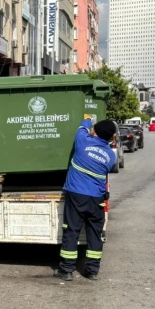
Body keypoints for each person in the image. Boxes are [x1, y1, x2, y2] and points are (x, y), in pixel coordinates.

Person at [54, 118, 116, 282]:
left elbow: (81, 128)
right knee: (95, 234)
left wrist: (88, 120)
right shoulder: (110, 156)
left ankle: (67, 269)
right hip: (97, 199)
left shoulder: (83, 142)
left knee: (71, 231)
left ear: (95, 132)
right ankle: (92, 271)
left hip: (76, 196)